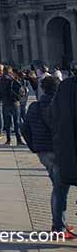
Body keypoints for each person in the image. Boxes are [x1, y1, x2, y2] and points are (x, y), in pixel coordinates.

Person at [21, 75, 75, 239]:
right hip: (60, 152)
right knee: (60, 189)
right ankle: (58, 226)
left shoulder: (34, 107)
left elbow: (24, 129)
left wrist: (34, 147)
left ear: (42, 89)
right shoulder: (62, 106)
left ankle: (60, 223)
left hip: (43, 153)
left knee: (58, 187)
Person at [50, 72, 77, 235]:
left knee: (60, 189)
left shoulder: (65, 87)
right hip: (65, 147)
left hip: (65, 149)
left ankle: (58, 226)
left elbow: (52, 115)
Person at [0, 67, 24, 147]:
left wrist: (2, 99)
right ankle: (19, 140)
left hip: (5, 103)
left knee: (7, 123)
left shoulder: (0, 81)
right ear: (11, 72)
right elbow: (21, 89)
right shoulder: (13, 80)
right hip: (15, 103)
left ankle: (8, 140)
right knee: (17, 122)